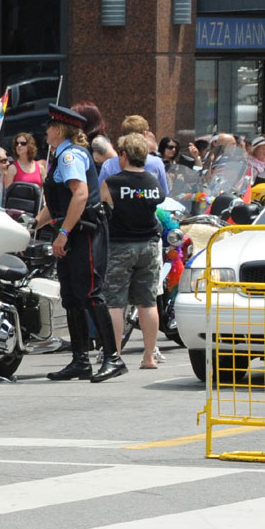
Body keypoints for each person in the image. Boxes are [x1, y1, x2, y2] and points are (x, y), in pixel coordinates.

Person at [35, 104, 125, 383]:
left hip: (84, 231)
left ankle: (113, 358)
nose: (46, 130)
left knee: (90, 293)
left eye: (50, 126)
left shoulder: (70, 155)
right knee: (72, 296)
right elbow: (57, 204)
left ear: (60, 129)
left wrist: (63, 233)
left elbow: (80, 195)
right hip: (72, 229)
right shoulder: (61, 155)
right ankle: (80, 360)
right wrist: (32, 225)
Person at [101, 132, 165, 372]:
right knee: (147, 302)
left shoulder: (113, 182)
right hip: (149, 245)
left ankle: (115, 356)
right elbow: (159, 201)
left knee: (115, 303)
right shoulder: (152, 181)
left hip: (120, 245)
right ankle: (149, 356)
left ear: (124, 155)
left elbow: (103, 206)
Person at [98, 115, 170, 195]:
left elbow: (101, 194)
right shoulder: (156, 163)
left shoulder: (109, 165)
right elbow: (164, 194)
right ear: (144, 135)